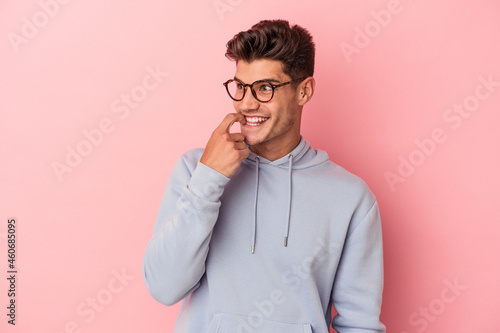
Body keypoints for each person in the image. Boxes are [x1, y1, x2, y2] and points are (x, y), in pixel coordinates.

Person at [143, 19, 385, 333]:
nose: (246, 103)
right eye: (241, 87)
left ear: (304, 91)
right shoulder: (196, 170)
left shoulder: (351, 198)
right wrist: (209, 179)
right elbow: (164, 287)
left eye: (265, 88)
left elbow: (360, 324)